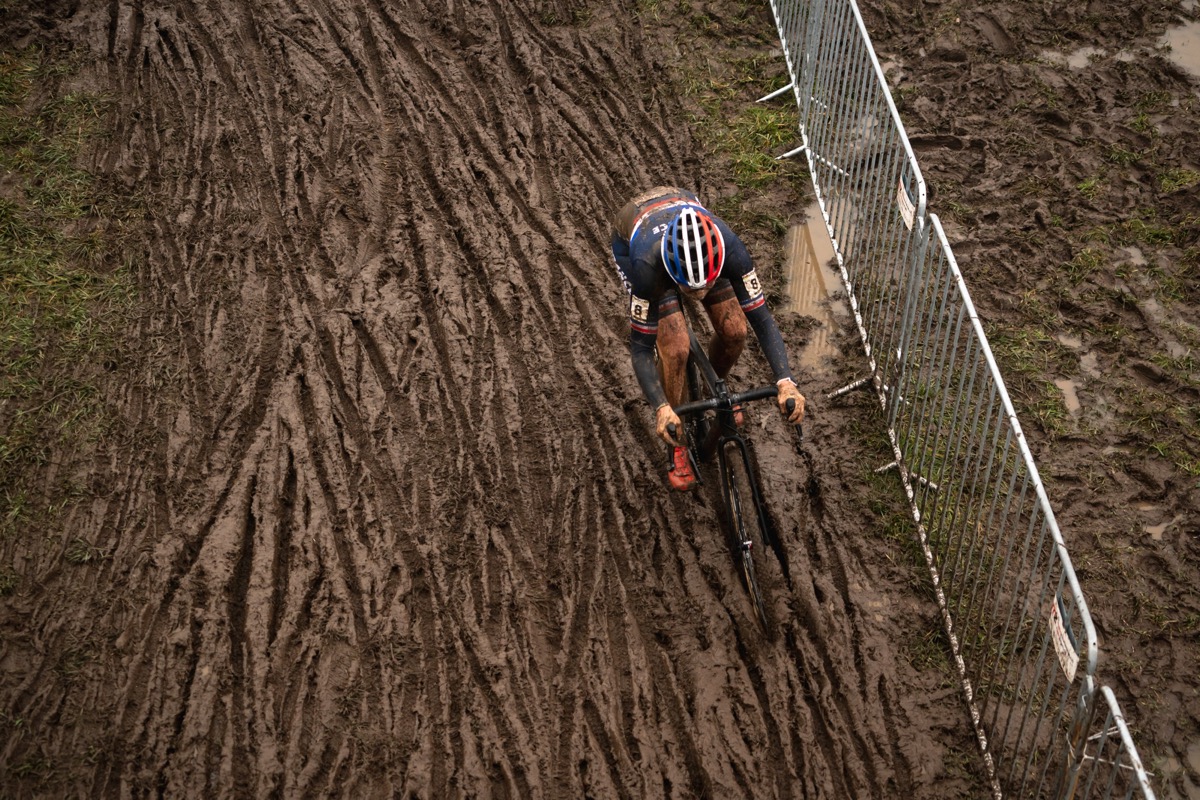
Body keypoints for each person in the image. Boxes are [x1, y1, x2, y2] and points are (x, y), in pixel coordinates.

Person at [610, 186, 806, 491]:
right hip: (635, 233)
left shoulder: (730, 248)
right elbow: (640, 349)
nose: (698, 296)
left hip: (691, 231)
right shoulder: (645, 268)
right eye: (691, 290)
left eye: (706, 286)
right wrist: (661, 407)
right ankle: (676, 445)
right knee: (675, 349)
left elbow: (763, 320)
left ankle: (708, 395)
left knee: (735, 331)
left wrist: (785, 380)